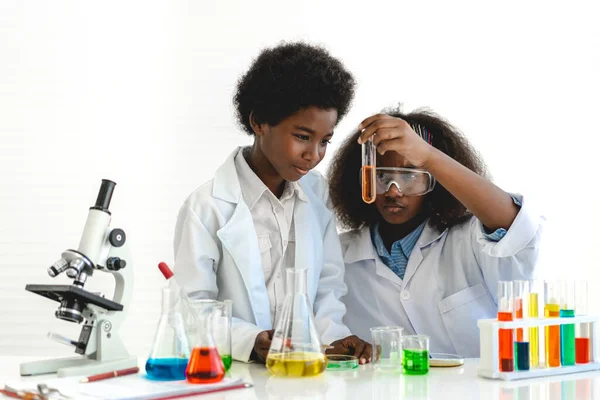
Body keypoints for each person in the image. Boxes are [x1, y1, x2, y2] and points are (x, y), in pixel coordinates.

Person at [173, 41, 372, 364]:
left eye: (325, 141)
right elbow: (192, 309)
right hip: (239, 374)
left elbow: (327, 287)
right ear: (259, 122)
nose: (314, 155)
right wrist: (250, 341)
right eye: (303, 137)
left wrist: (334, 336)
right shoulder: (206, 207)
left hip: (305, 371)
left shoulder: (317, 193)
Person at [327, 107, 544, 357]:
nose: (393, 191)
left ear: (435, 181)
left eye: (410, 176)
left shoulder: (470, 241)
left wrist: (428, 156)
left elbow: (516, 227)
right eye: (382, 176)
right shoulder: (338, 255)